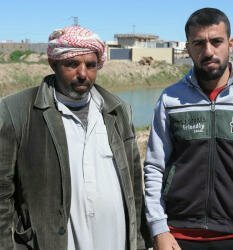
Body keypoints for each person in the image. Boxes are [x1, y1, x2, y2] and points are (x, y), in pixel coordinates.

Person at [144, 7, 233, 250]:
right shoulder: (170, 99)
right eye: (198, 43)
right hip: (177, 236)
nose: (208, 51)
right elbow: (155, 167)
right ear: (188, 49)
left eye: (216, 41)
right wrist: (158, 228)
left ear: (230, 44)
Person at [0, 25, 150, 250]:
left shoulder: (117, 111)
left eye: (91, 65)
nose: (83, 74)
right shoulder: (16, 112)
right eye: (72, 64)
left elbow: (135, 188)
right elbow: (3, 194)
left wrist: (138, 242)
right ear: (53, 64)